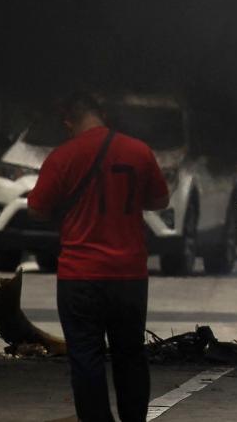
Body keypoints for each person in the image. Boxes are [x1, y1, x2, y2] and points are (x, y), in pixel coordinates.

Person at [28, 93, 170, 422]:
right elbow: (160, 200)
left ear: (68, 123)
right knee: (130, 354)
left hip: (81, 275)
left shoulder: (63, 157)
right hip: (129, 274)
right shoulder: (139, 151)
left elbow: (36, 209)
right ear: (103, 115)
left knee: (86, 356)